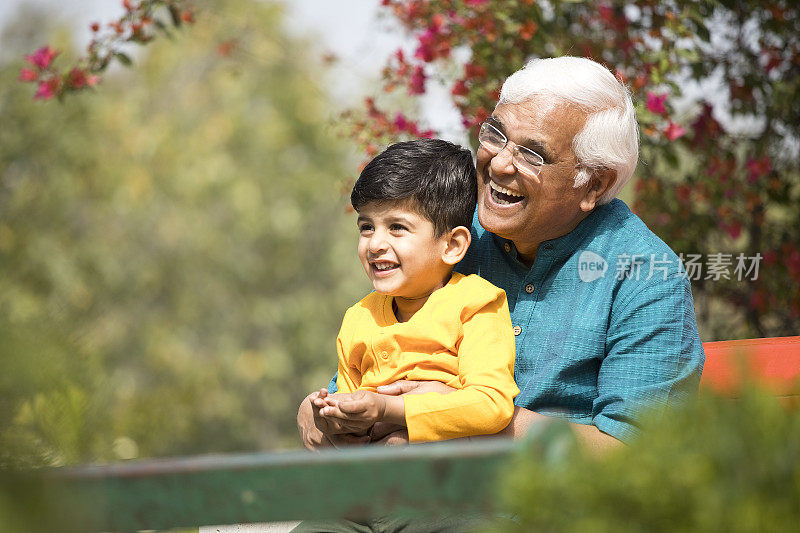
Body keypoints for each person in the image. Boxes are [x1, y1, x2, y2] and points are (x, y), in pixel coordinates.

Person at [298, 56, 705, 452]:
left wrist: (460, 416)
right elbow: (368, 366)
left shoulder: (646, 276)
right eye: (495, 135)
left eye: (532, 155)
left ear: (593, 185)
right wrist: (322, 414)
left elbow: (635, 454)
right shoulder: (450, 235)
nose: (499, 164)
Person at [309, 138, 519, 444]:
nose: (375, 243)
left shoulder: (475, 304)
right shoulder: (359, 318)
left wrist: (389, 408)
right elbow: (352, 411)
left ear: (452, 245)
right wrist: (334, 417)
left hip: (450, 475)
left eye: (397, 227)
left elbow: (491, 404)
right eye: (367, 227)